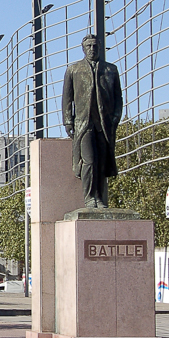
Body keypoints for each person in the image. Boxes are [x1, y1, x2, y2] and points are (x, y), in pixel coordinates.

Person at [62, 34, 124, 209]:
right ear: (83, 49)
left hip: (104, 124)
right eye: (89, 46)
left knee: (102, 162)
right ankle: (90, 197)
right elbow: (67, 99)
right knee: (89, 161)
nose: (92, 49)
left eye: (95, 46)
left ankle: (100, 197)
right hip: (84, 124)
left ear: (100, 47)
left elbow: (118, 98)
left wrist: (115, 119)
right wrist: (68, 121)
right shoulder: (74, 70)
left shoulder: (111, 70)